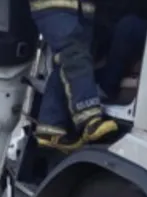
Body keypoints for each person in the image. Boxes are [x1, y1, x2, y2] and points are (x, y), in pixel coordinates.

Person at [31, 0, 119, 152]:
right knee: (74, 54)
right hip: (55, 6)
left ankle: (51, 126)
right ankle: (89, 119)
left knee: (68, 61)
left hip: (82, 10)